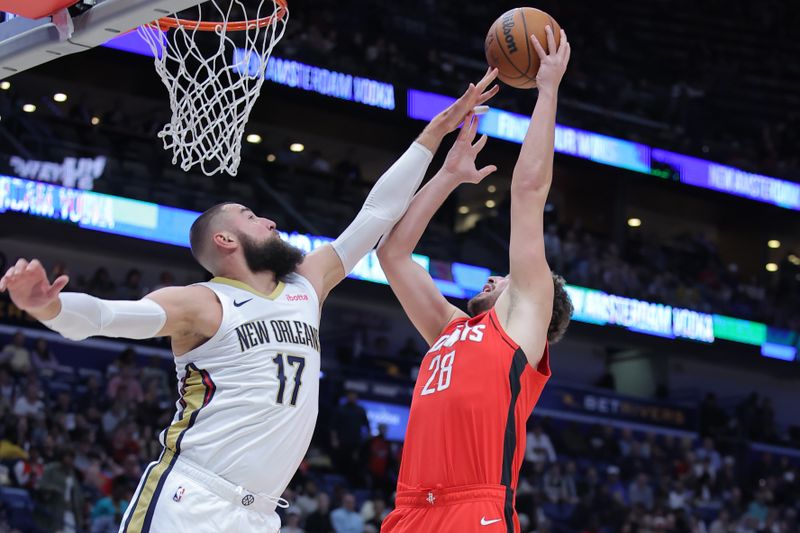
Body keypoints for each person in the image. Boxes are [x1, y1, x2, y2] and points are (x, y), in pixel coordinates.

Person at [0, 70, 498, 533]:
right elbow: (108, 317)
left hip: (259, 513)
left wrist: (432, 136)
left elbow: (377, 212)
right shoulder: (200, 303)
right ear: (225, 241)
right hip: (189, 496)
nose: (270, 221)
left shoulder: (308, 283)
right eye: (252, 215)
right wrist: (47, 307)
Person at [377, 27, 572, 533]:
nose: (493, 276)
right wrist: (448, 175)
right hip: (409, 510)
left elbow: (528, 191)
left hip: (474, 509)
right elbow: (393, 253)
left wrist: (547, 89)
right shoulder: (450, 328)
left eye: (505, 278)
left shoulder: (521, 324)